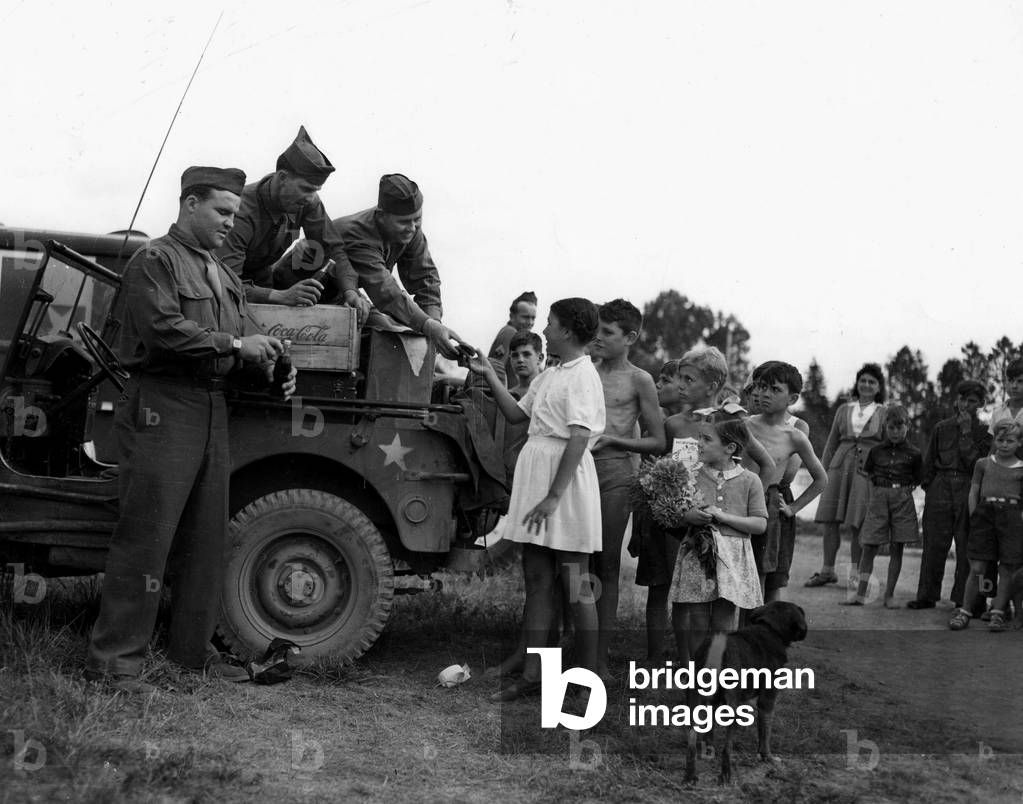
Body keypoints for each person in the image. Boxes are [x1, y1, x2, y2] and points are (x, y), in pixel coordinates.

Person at [85, 166, 296, 693]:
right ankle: (115, 663)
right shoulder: (154, 260)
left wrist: (275, 366)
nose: (230, 222)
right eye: (222, 212)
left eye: (236, 214)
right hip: (162, 405)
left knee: (205, 539)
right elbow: (161, 333)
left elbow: (250, 336)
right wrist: (233, 347)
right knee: (146, 538)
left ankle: (191, 654)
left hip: (211, 407)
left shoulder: (223, 275)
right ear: (190, 203)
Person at [468, 298, 605, 702]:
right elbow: (514, 413)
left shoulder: (583, 375)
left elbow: (579, 437)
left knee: (577, 585)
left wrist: (552, 497)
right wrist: (486, 374)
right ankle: (534, 674)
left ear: (567, 331)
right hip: (537, 474)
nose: (544, 328)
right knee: (539, 581)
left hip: (563, 485)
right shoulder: (551, 375)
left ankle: (587, 678)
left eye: (550, 322)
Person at [589, 299, 666, 681]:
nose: (598, 338)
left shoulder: (640, 379)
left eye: (607, 332)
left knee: (605, 564)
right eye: (597, 330)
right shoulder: (585, 369)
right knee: (574, 562)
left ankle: (599, 658)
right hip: (578, 471)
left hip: (616, 475)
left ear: (630, 337)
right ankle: (578, 646)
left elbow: (657, 440)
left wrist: (617, 442)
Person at [216, 126, 368, 317]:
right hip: (221, 289)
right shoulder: (240, 212)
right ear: (282, 178)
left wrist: (350, 291)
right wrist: (280, 296)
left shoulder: (308, 202)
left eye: (315, 191)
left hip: (262, 282)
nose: (310, 197)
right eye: (305, 188)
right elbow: (227, 285)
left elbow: (333, 248)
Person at [670, 414, 767, 666]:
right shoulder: (691, 475)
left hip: (733, 558)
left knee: (724, 621)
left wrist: (723, 516)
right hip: (699, 555)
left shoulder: (750, 480)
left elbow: (759, 524)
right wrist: (689, 516)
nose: (698, 444)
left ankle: (716, 673)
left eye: (706, 439)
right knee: (698, 619)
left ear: (730, 448)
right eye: (699, 437)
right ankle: (699, 676)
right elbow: (677, 516)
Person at [334, 174, 462, 359]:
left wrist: (434, 322)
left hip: (349, 296)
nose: (412, 227)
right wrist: (429, 326)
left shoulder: (410, 231)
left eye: (417, 219)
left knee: (397, 335)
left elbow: (426, 281)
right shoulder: (357, 234)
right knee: (387, 341)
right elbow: (386, 293)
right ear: (381, 216)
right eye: (403, 222)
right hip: (309, 292)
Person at [745, 361, 827, 601]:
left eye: (774, 389)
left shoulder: (795, 436)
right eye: (761, 387)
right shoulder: (743, 425)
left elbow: (821, 479)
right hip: (738, 500)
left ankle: (759, 634)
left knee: (762, 576)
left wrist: (793, 508)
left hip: (767, 505)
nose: (764, 394)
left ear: (792, 399)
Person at [909, 381, 991, 610]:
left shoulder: (986, 431)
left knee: (967, 546)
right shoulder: (941, 427)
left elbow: (978, 464)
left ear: (982, 404)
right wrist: (931, 488)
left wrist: (966, 434)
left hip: (968, 487)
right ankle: (926, 596)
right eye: (962, 399)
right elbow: (928, 464)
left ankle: (965, 601)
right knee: (934, 543)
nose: (966, 405)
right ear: (956, 400)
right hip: (940, 487)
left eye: (972, 401)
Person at [806, 363, 888, 588]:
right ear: (857, 383)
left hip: (866, 471)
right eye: (863, 380)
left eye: (872, 381)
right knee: (830, 521)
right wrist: (821, 471)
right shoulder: (844, 409)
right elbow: (832, 442)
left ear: (879, 387)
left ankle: (856, 576)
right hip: (839, 467)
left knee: (858, 523)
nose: (867, 385)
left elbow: (887, 446)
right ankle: (827, 570)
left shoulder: (884, 412)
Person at [842, 405, 922, 607]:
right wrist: (879, 495)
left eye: (899, 427)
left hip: (902, 499)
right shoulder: (876, 451)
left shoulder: (915, 454)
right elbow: (869, 474)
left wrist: (901, 492)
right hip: (878, 497)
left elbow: (918, 479)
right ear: (885, 427)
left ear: (908, 426)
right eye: (891, 427)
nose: (895, 432)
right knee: (869, 546)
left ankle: (889, 595)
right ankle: (860, 594)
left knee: (897, 547)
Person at [948, 420, 1023, 632]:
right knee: (978, 567)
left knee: (1007, 568)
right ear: (994, 440)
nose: (1005, 445)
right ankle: (965, 611)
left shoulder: (1021, 469)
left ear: (1019, 442)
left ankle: (998, 613)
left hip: (1011, 518)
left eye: (1010, 441)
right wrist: (975, 516)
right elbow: (974, 492)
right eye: (1000, 440)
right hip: (985, 515)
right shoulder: (983, 463)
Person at [489, 291, 538, 386]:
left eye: (533, 318)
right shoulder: (509, 333)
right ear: (512, 317)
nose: (530, 322)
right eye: (525, 317)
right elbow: (496, 371)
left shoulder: (517, 335)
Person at [507, 330, 544, 399]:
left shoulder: (550, 390)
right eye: (515, 355)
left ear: (540, 358)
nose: (520, 360)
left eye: (526, 355)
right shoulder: (507, 396)